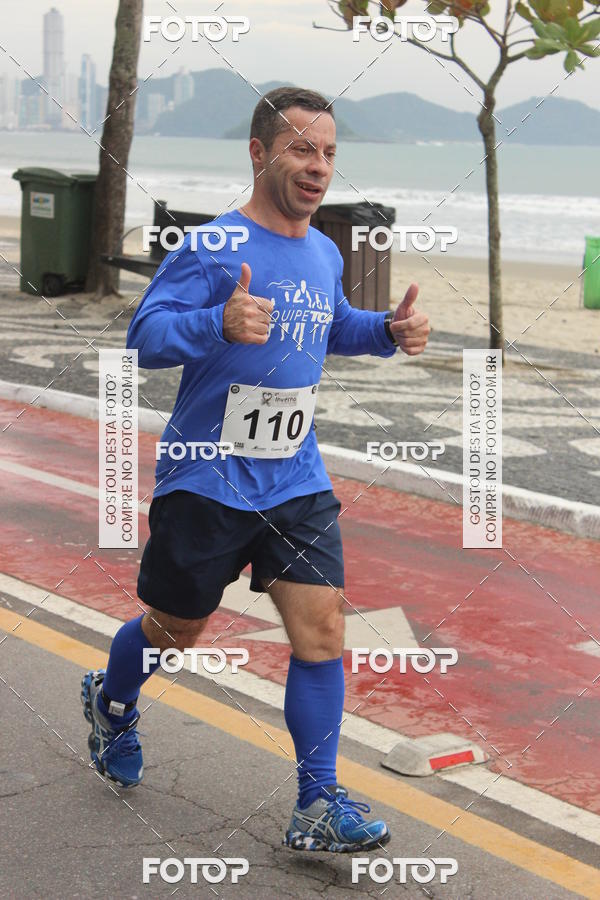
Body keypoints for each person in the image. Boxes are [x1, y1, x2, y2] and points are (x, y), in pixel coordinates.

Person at [81, 87, 430, 853]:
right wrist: (216, 321)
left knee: (324, 629)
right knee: (175, 632)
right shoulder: (211, 248)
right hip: (206, 478)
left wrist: (389, 330)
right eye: (303, 148)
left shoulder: (324, 250)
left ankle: (315, 804)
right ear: (259, 152)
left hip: (295, 479)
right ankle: (111, 700)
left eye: (330, 153)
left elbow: (333, 325)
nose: (318, 167)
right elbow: (143, 336)